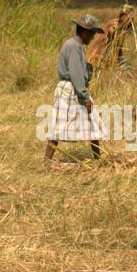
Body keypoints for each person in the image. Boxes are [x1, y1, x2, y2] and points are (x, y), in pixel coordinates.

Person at [45, 15, 107, 162]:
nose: (92, 38)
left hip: (70, 87)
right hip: (71, 89)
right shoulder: (74, 46)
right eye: (92, 34)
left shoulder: (74, 44)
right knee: (62, 125)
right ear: (85, 32)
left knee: (90, 122)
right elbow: (76, 74)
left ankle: (97, 158)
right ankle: (47, 161)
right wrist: (84, 97)